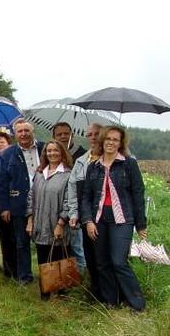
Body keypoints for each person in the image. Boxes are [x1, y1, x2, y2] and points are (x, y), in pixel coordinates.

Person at [81, 126, 147, 311]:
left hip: (122, 219)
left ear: (121, 143)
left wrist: (141, 224)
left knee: (118, 261)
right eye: (108, 138)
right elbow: (86, 196)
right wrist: (88, 221)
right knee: (102, 263)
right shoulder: (93, 167)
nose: (111, 142)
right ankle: (112, 302)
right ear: (102, 141)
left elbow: (138, 193)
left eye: (115, 140)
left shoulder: (128, 164)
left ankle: (137, 304)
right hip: (99, 219)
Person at [0, 118, 45, 284]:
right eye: (20, 131)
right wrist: (4, 207)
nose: (24, 134)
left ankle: (47, 276)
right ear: (15, 134)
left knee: (45, 242)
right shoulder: (7, 154)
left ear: (32, 131)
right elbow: (2, 183)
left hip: (45, 203)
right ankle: (25, 276)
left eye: (27, 130)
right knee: (21, 243)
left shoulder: (45, 148)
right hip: (18, 204)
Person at [26, 140, 73, 300]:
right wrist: (30, 220)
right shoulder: (39, 174)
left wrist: (61, 223)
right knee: (43, 259)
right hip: (40, 224)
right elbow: (31, 197)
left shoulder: (68, 175)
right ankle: (45, 291)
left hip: (57, 224)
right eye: (49, 151)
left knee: (59, 258)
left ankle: (61, 293)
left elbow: (69, 201)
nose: (52, 153)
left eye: (56, 151)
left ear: (62, 153)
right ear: (45, 153)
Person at [68, 123, 103, 300]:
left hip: (107, 218)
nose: (93, 137)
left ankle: (110, 292)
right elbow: (73, 189)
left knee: (105, 256)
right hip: (85, 216)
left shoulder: (114, 159)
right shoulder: (81, 161)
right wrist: (74, 213)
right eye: (90, 134)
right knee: (89, 255)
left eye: (97, 134)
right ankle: (94, 289)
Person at [53, 122, 88, 273]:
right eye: (59, 134)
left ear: (71, 134)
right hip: (57, 206)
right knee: (61, 246)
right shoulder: (54, 153)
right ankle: (63, 278)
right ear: (54, 137)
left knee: (77, 246)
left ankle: (80, 279)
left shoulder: (82, 154)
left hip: (75, 207)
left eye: (66, 133)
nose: (63, 136)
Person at [0, 131, 17, 278]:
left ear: (9, 144)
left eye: (2, 142)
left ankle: (17, 269)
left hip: (14, 205)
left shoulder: (14, 160)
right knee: (6, 240)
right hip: (0, 206)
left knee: (16, 240)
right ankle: (8, 269)